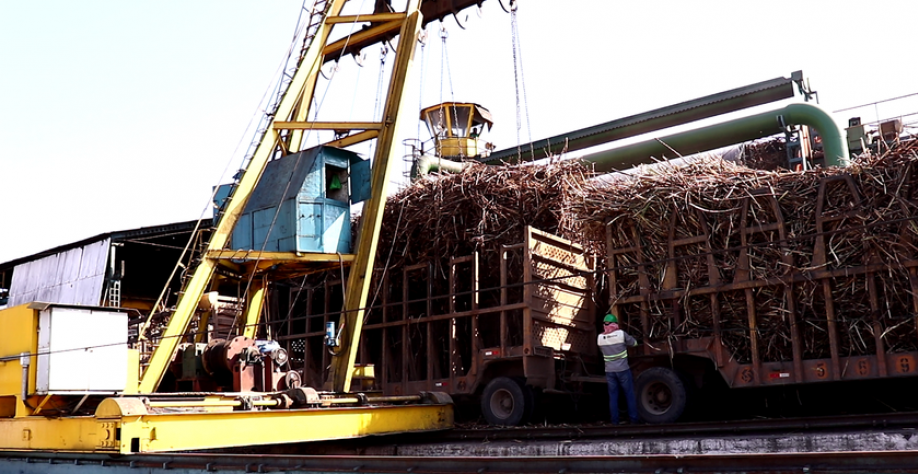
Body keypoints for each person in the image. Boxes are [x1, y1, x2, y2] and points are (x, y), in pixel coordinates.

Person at [597, 313, 640, 425]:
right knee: (629, 394)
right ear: (615, 324)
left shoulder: (600, 338)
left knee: (613, 396)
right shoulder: (621, 334)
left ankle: (615, 421)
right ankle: (634, 420)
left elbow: (603, 351)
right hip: (623, 370)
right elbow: (634, 343)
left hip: (610, 372)